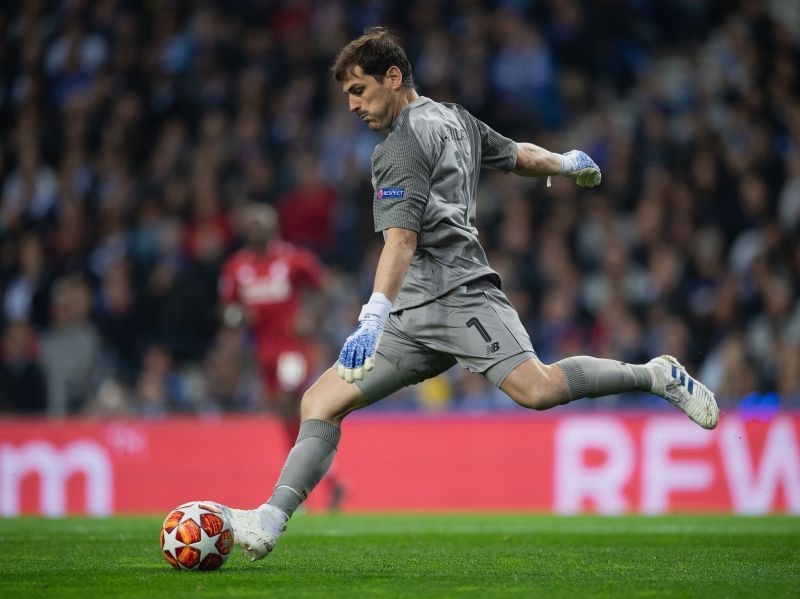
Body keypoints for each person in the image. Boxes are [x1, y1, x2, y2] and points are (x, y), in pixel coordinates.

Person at [215, 27, 719, 561]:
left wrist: (371, 316)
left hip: (460, 296)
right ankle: (267, 522)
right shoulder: (455, 117)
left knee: (539, 390)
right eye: (346, 96)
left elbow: (402, 241)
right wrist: (566, 161)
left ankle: (655, 374)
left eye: (359, 90)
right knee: (319, 401)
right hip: (412, 314)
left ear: (393, 77)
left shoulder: (399, 147)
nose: (353, 106)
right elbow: (517, 155)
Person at [218, 202, 345, 507]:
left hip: (293, 348)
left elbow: (327, 288)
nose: (258, 228)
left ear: (274, 228)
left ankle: (300, 485)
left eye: (263, 223)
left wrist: (311, 319)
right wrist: (238, 317)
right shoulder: (237, 267)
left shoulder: (293, 259)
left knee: (291, 400)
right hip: (263, 353)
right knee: (287, 418)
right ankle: (329, 480)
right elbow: (227, 309)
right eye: (253, 224)